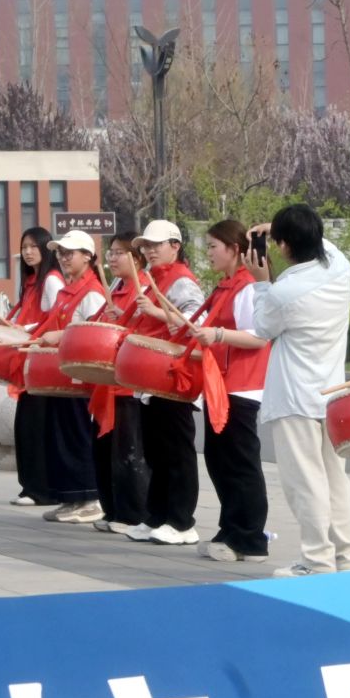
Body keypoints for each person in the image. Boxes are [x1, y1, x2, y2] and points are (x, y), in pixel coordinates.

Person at [212, 204, 350, 577]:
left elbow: (262, 328)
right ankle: (348, 556)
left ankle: (317, 560)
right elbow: (327, 245)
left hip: (295, 398)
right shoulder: (339, 269)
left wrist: (261, 280)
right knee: (335, 481)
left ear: (283, 246)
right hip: (332, 394)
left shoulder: (284, 291)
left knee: (305, 484)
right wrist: (281, 230)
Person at [185, 220, 271, 562]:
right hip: (220, 383)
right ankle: (231, 529)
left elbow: (259, 336)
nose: (208, 253)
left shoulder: (248, 287)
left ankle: (250, 538)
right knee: (220, 462)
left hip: (242, 386)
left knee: (240, 464)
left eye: (212, 246)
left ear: (234, 249)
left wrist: (218, 335)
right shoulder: (226, 286)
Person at [128, 219, 207, 546]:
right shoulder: (153, 279)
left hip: (174, 375)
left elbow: (197, 322)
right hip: (152, 376)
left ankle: (182, 521)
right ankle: (157, 515)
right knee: (155, 452)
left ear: (175, 246)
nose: (149, 251)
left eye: (156, 245)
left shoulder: (182, 280)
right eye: (146, 246)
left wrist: (157, 312)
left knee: (176, 452)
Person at [29, 230, 108, 524]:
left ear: (87, 256)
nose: (63, 258)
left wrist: (60, 335)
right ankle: (70, 496)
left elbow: (94, 331)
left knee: (76, 436)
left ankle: (89, 497)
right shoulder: (67, 291)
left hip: (80, 378)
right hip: (61, 374)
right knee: (60, 436)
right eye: (60, 253)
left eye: (69, 253)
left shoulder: (93, 292)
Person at [81, 234, 152, 538]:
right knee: (105, 452)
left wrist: (122, 319)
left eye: (119, 253)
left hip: (128, 384)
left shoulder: (145, 288)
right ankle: (112, 509)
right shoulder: (115, 287)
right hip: (108, 381)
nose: (112, 258)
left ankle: (133, 513)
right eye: (110, 252)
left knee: (128, 453)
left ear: (137, 259)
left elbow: (144, 330)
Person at [9, 227, 62, 508]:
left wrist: (25, 329)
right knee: (26, 426)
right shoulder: (32, 281)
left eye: (33, 246)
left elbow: (56, 320)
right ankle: (30, 486)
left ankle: (41, 489)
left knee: (36, 427)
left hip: (44, 363)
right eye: (24, 247)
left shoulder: (51, 280)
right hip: (32, 360)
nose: (28, 252)